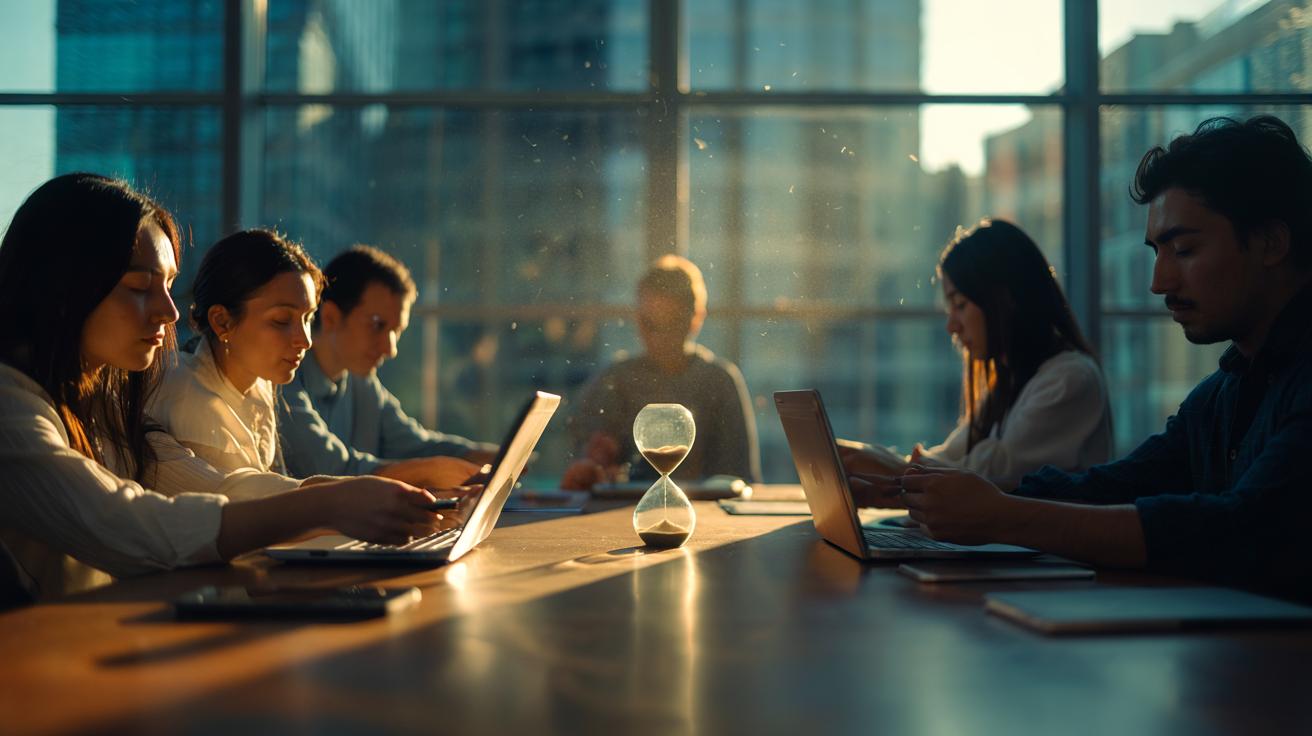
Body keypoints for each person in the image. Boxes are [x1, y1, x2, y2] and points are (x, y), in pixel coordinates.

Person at [851, 115, 1312, 599]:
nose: (1159, 282)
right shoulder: (1227, 390)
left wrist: (1004, 515)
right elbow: (1120, 484)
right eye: (1158, 252)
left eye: (1184, 249)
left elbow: (1245, 531)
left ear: (1271, 243)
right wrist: (983, 505)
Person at [0, 174, 451, 599]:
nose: (169, 312)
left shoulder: (105, 400)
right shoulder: (11, 409)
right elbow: (125, 524)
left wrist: (340, 497)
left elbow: (219, 488)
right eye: (140, 287)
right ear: (62, 287)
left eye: (170, 286)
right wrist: (327, 505)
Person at [149, 230, 476, 489]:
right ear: (222, 322)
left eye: (307, 318)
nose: (304, 340)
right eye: (281, 321)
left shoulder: (262, 384)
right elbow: (250, 504)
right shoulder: (186, 393)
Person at [840, 219, 1112, 491]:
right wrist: (881, 468)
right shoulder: (1010, 384)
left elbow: (985, 477)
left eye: (960, 305)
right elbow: (950, 458)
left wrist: (890, 468)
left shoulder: (1070, 379)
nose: (951, 326)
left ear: (1005, 298)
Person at [278, 245, 497, 482]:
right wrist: (429, 472)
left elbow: (415, 446)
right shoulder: (282, 379)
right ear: (331, 317)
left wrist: (492, 456)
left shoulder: (361, 383)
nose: (390, 349)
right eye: (377, 325)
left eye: (396, 331)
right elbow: (328, 470)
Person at [561, 255, 760, 489]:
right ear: (637, 318)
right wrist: (595, 460)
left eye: (672, 324)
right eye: (650, 324)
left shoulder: (718, 382)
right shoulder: (614, 380)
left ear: (695, 319)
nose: (659, 337)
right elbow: (583, 455)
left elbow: (738, 478)